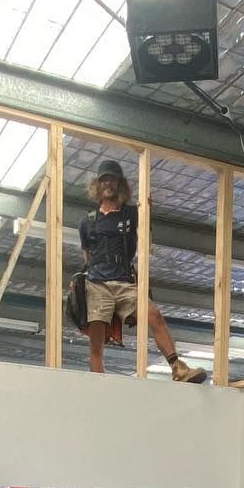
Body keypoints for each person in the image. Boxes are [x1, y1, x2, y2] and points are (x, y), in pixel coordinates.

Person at [77, 159, 207, 382]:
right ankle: (98, 385)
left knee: (154, 314)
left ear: (119, 184)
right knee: (96, 336)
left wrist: (146, 209)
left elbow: (145, 237)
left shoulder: (130, 215)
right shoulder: (87, 221)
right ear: (98, 185)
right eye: (104, 179)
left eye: (113, 179)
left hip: (125, 281)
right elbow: (87, 254)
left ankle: (177, 367)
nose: (108, 183)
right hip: (97, 283)